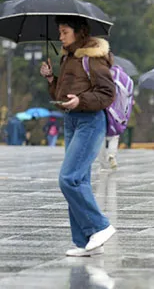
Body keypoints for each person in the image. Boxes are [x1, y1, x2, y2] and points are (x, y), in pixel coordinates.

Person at [40, 16, 117, 257]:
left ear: (78, 32)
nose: (60, 36)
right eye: (59, 32)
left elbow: (107, 93)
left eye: (64, 32)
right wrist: (51, 79)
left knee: (69, 179)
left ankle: (101, 226)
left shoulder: (91, 58)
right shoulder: (68, 58)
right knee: (80, 180)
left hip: (90, 122)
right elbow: (64, 95)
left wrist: (81, 101)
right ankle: (83, 242)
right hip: (72, 121)